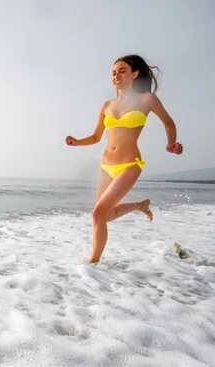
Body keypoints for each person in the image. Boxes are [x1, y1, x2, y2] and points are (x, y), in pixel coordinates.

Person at [65, 54, 183, 263]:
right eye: (113, 72)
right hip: (106, 166)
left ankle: (93, 264)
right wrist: (76, 141)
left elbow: (168, 122)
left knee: (97, 214)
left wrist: (171, 144)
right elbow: (95, 137)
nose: (116, 75)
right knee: (106, 215)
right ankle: (139, 205)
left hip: (129, 165)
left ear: (134, 74)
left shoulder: (147, 99)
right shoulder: (107, 106)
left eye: (122, 71)